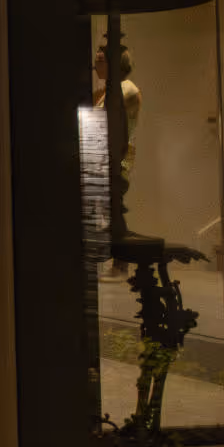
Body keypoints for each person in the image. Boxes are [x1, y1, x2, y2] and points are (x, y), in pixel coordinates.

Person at [95, 47, 142, 279]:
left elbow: (110, 124)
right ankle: (117, 262)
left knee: (113, 208)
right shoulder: (110, 91)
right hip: (107, 157)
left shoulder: (126, 90)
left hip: (117, 159)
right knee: (109, 208)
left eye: (101, 59)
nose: (96, 63)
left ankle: (121, 264)